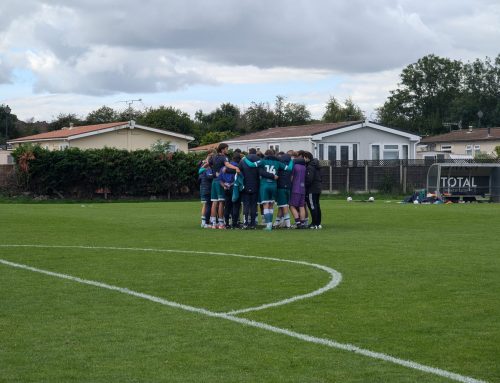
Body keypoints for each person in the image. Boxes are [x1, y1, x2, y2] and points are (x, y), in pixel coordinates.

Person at [243, 149, 292, 230]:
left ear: (266, 155)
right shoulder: (278, 163)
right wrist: (291, 161)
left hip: (264, 185)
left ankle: (268, 225)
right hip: (274, 186)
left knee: (265, 205)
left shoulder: (262, 161)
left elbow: (251, 165)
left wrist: (245, 158)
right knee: (271, 205)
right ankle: (270, 224)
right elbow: (289, 168)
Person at [209, 143, 240, 229]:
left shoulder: (214, 156)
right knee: (221, 202)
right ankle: (221, 223)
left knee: (214, 202)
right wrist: (235, 168)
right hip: (220, 182)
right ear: (222, 149)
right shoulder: (224, 157)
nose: (227, 150)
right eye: (226, 148)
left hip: (214, 181)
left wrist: (214, 171)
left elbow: (208, 162)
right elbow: (227, 165)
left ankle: (213, 223)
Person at [274, 151, 293, 229]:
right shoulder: (290, 166)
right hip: (288, 188)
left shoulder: (279, 166)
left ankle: (288, 224)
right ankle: (276, 223)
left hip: (280, 188)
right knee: (282, 206)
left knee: (283, 206)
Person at [304, 151, 322, 229]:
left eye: (304, 157)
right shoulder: (316, 165)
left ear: (307, 158)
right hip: (318, 188)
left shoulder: (310, 167)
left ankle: (314, 223)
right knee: (317, 205)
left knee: (312, 206)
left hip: (312, 189)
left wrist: (305, 185)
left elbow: (309, 179)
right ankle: (318, 223)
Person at [289, 151, 307, 229]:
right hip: (303, 188)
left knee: (291, 205)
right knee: (301, 206)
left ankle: (298, 223)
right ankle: (303, 223)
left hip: (295, 188)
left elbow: (292, 177)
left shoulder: (294, 166)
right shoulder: (304, 167)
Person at [198, 153, 214, 228]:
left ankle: (205, 222)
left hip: (204, 187)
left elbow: (200, 176)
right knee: (208, 205)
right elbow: (208, 176)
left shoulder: (203, 167)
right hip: (207, 188)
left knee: (206, 204)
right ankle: (206, 222)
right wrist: (215, 175)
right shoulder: (207, 168)